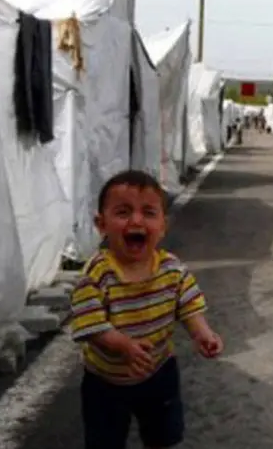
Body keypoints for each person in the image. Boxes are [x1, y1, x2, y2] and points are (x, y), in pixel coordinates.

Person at [69, 170, 223, 449]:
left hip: (159, 370)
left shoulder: (171, 268)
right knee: (104, 440)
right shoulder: (97, 274)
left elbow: (187, 304)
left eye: (149, 213)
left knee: (163, 435)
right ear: (101, 224)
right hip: (106, 380)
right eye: (123, 212)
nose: (136, 221)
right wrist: (122, 345)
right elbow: (89, 323)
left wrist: (203, 333)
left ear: (163, 225)